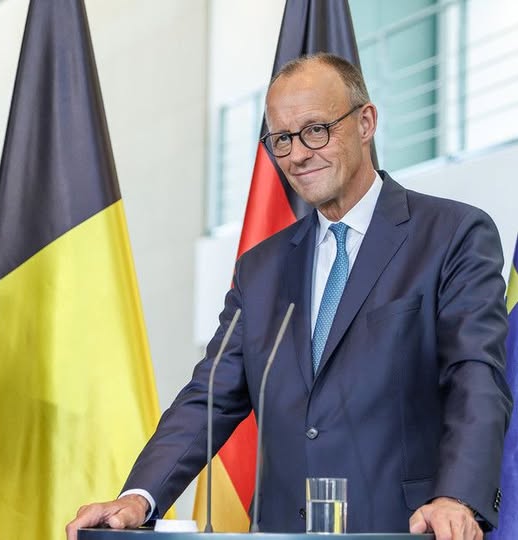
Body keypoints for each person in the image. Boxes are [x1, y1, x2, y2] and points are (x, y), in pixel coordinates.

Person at [67, 53, 511, 540]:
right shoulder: (260, 269)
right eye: (281, 139)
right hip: (279, 531)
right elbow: (210, 396)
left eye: (316, 130)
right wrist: (139, 497)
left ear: (366, 122)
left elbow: (476, 377)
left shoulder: (453, 234)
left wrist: (457, 498)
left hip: (405, 529)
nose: (297, 154)